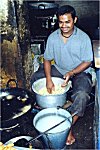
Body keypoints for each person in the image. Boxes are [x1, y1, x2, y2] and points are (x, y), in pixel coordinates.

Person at [30, 5, 93, 145]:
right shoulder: (53, 37)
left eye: (67, 22)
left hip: (79, 72)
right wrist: (48, 80)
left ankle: (67, 125)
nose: (64, 26)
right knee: (36, 78)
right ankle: (47, 108)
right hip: (59, 69)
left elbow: (88, 61)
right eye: (61, 22)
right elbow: (47, 59)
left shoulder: (83, 38)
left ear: (74, 20)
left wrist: (72, 72)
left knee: (82, 95)